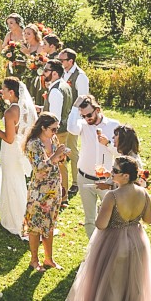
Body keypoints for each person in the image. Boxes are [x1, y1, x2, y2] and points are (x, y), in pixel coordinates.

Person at [65, 156, 151, 301]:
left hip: (113, 241)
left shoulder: (112, 197)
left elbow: (101, 224)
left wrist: (101, 208)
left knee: (112, 282)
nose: (111, 172)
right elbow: (149, 220)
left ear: (126, 175)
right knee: (133, 282)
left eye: (115, 171)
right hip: (137, 240)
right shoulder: (143, 193)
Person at [0, 75, 36, 237]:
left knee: (11, 182)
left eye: (4, 89)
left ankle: (16, 220)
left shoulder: (10, 112)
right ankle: (16, 217)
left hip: (11, 150)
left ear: (12, 92)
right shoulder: (24, 108)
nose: (2, 92)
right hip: (21, 149)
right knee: (17, 181)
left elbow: (8, 138)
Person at [66, 95, 120, 238]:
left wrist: (107, 143)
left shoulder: (113, 126)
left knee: (111, 217)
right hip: (84, 178)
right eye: (83, 116)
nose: (87, 118)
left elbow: (121, 153)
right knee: (90, 220)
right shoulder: (83, 125)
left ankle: (109, 248)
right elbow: (71, 128)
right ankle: (93, 250)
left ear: (97, 110)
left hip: (106, 181)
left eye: (89, 114)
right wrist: (74, 107)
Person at [23, 112, 70, 271]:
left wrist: (62, 156)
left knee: (49, 224)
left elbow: (57, 163)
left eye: (57, 129)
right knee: (35, 226)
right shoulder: (33, 144)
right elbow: (39, 168)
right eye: (53, 129)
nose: (56, 132)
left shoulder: (53, 139)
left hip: (54, 189)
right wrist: (56, 155)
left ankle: (49, 259)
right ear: (43, 128)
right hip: (39, 191)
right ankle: (34, 260)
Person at [56, 48, 90, 195]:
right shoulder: (62, 73)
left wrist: (75, 117)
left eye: (62, 60)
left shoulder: (80, 77)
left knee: (72, 150)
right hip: (62, 117)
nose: (60, 62)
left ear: (71, 61)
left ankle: (76, 182)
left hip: (72, 118)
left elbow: (83, 98)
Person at [41, 60, 74, 196]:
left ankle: (62, 196)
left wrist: (49, 134)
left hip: (57, 132)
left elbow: (55, 118)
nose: (43, 73)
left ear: (54, 73)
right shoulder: (63, 85)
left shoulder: (55, 91)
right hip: (62, 130)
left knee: (59, 163)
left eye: (46, 70)